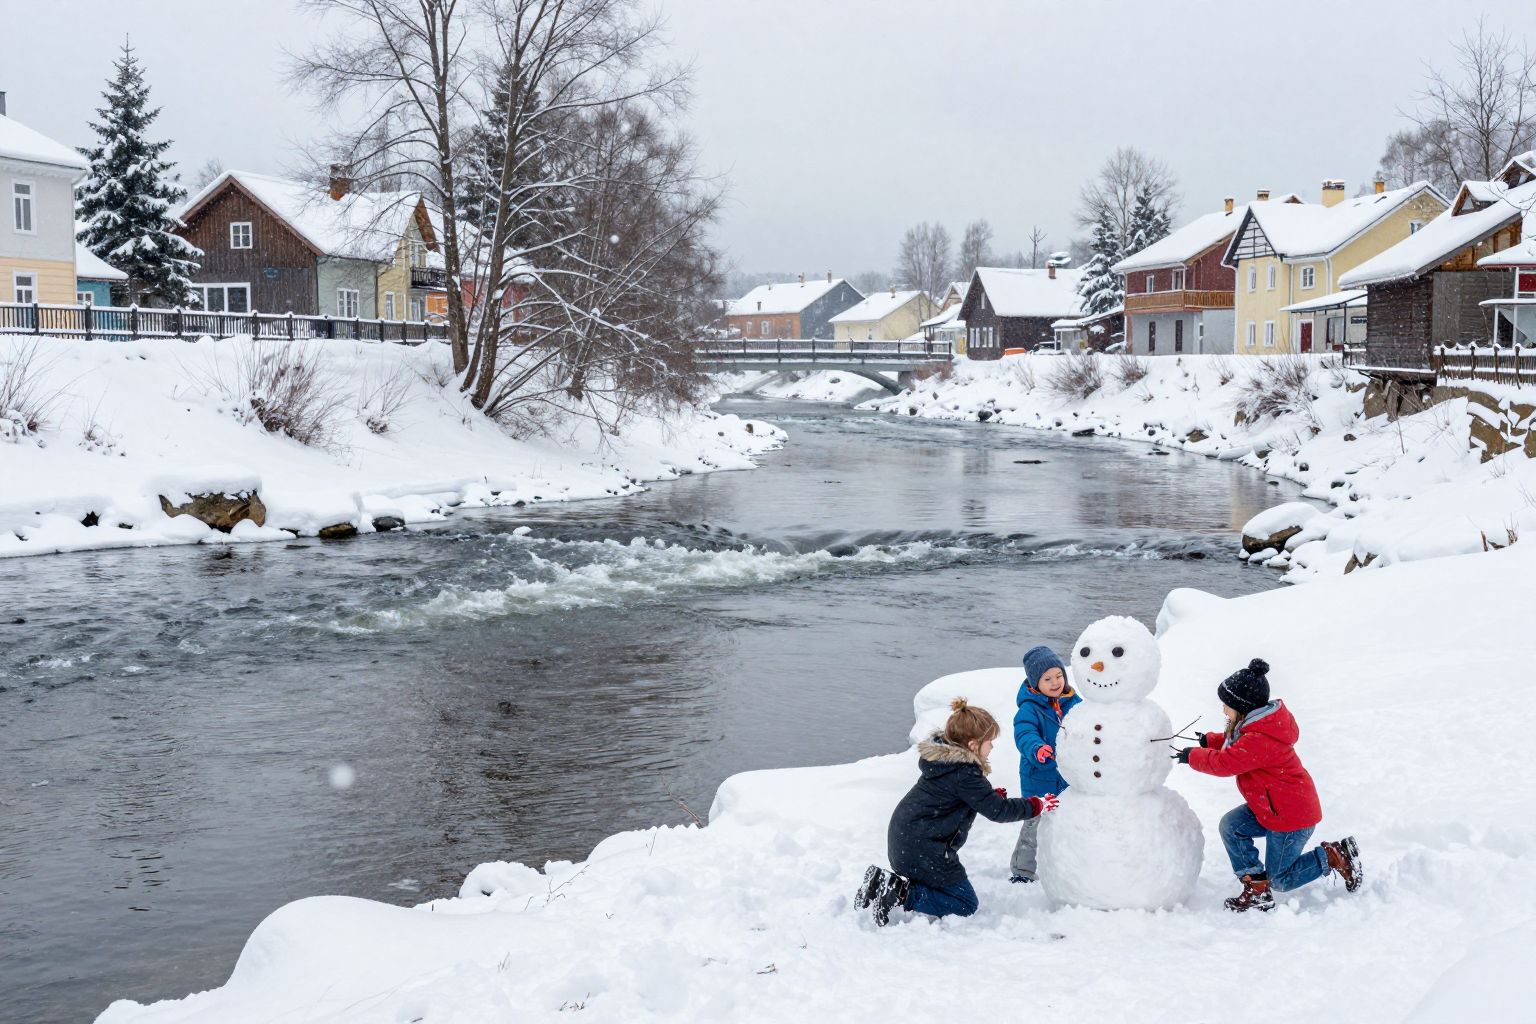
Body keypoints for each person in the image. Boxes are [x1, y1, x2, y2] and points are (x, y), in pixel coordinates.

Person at [1172, 658, 1362, 912]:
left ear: (1242, 708)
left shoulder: (1260, 738)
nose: (1223, 710)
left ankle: (1333, 856)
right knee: (1232, 826)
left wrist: (1193, 756)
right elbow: (1238, 745)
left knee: (1282, 879)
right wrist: (1210, 741)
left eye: (1226, 706)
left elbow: (1227, 763)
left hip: (1290, 818)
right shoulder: (1257, 726)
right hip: (1272, 808)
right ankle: (1257, 889)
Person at [856, 698, 1056, 926]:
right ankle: (900, 892)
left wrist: (987, 797)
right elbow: (998, 811)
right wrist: (1036, 805)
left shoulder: (947, 764)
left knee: (951, 891)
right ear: (973, 745)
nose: (992, 747)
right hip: (924, 851)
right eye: (989, 742)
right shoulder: (965, 773)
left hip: (906, 843)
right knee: (964, 903)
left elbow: (960, 797)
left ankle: (880, 881)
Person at [1009, 644, 1079, 883]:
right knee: (1034, 827)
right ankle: (1022, 870)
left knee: (1067, 823)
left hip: (1068, 778)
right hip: (1038, 778)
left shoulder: (1073, 701)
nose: (1055, 682)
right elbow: (1024, 733)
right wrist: (1036, 748)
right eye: (1047, 678)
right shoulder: (1029, 708)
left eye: (1059, 675)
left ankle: (1062, 865)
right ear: (1034, 683)